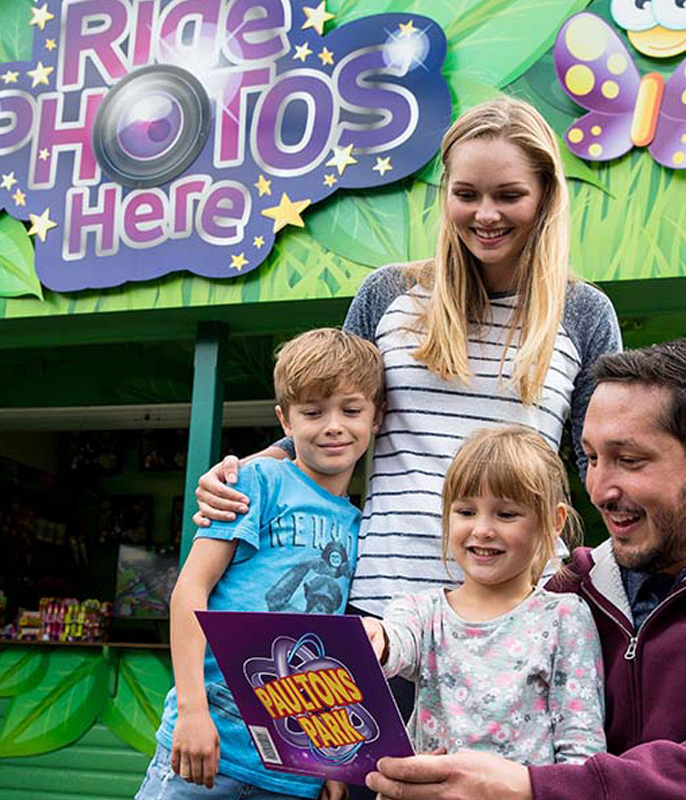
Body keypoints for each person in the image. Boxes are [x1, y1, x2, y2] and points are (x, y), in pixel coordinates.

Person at [193, 96, 621, 623]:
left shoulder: (583, 312)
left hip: (522, 610)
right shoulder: (388, 294)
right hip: (383, 604)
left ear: (546, 196)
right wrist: (244, 471)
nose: (485, 215)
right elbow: (336, 410)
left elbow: (601, 462)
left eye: (509, 195)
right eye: (466, 194)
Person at [366, 337, 686, 800]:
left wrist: (536, 788)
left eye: (628, 460)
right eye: (590, 459)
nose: (598, 488)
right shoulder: (573, 589)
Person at [135, 328, 385, 800]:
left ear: (377, 418)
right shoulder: (258, 481)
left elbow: (334, 646)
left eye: (351, 410)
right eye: (313, 412)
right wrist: (191, 711)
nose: (333, 425)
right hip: (209, 749)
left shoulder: (361, 525)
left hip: (294, 768)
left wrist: (334, 756)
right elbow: (190, 590)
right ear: (285, 421)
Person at [363, 425, 605, 764]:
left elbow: (581, 750)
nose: (482, 530)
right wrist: (377, 639)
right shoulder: (423, 612)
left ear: (553, 522)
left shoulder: (564, 618)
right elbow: (396, 641)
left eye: (506, 514)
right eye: (465, 511)